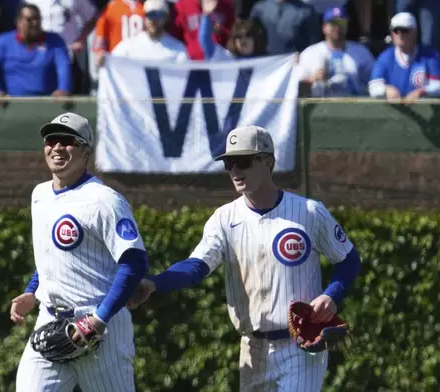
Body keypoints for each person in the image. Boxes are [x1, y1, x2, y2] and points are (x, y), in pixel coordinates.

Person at [127, 125, 362, 392]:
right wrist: (156, 283)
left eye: (244, 161)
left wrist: (331, 295)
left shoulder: (308, 211)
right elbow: (195, 267)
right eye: (229, 163)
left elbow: (349, 260)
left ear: (268, 163)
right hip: (252, 348)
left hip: (301, 346)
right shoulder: (224, 218)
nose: (235, 171)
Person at [9, 112, 149, 391]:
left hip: (101, 327)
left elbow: (134, 262)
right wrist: (31, 290)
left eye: (68, 140)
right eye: (51, 140)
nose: (57, 147)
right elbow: (51, 255)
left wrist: (99, 318)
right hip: (51, 320)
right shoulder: (40, 194)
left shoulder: (105, 200)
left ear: (86, 152)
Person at [0, 3, 71, 97]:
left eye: (37, 18)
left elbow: (63, 68)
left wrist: (63, 89)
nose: (35, 23)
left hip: (46, 102)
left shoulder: (55, 41)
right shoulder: (3, 41)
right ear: (18, 22)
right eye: (30, 19)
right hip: (12, 103)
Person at [369, 12, 440, 101]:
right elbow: (373, 87)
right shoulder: (385, 58)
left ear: (414, 33)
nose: (400, 34)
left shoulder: (431, 56)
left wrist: (422, 92)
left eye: (404, 30)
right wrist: (386, 89)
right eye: (396, 30)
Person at [297, 7, 375, 97]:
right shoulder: (310, 53)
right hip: (320, 107)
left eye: (341, 22)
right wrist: (313, 79)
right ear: (324, 28)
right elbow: (296, 88)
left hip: (355, 106)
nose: (338, 27)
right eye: (333, 23)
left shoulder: (361, 52)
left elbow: (375, 82)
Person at [110, 0, 188, 62]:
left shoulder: (178, 50)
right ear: (144, 18)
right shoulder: (128, 46)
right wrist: (102, 59)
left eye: (158, 15)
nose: (153, 20)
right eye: (150, 15)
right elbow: (112, 62)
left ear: (166, 18)